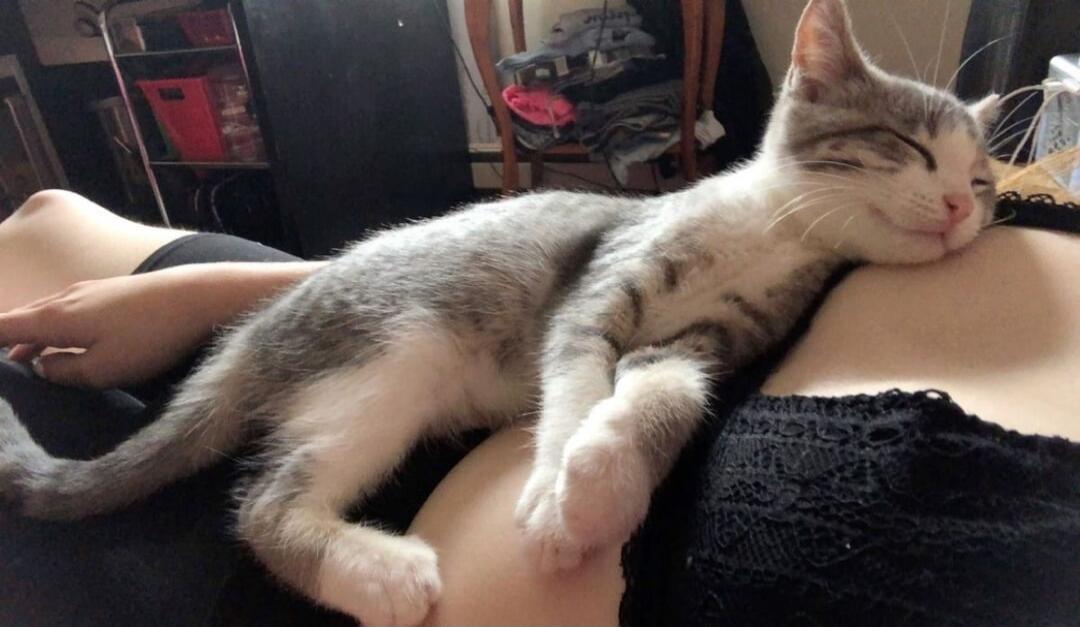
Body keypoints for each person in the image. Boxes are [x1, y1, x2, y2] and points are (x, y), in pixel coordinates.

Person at [0, 189, 1077, 626]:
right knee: (43, 220)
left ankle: (286, 522)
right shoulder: (980, 201)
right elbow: (613, 253)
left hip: (316, 556)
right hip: (440, 318)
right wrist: (230, 295)